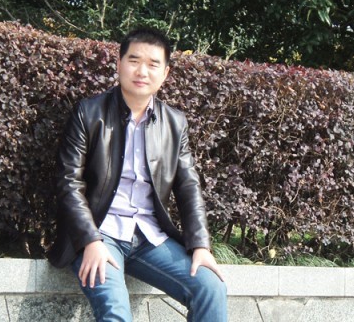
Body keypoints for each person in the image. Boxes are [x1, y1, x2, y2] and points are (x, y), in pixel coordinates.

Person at [47, 27, 228, 321]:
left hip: (149, 237)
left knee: (210, 287)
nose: (142, 71)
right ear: (119, 64)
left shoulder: (174, 123)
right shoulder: (88, 113)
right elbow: (69, 182)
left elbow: (188, 186)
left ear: (165, 73)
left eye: (153, 64)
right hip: (99, 233)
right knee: (116, 314)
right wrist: (90, 240)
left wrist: (200, 246)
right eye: (133, 60)